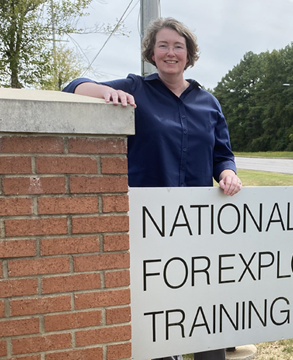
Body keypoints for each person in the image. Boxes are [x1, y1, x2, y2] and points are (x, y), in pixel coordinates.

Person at [63, 17, 239, 360]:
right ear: (152, 53)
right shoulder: (137, 89)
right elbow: (73, 87)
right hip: (149, 223)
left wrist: (229, 173)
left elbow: (222, 154)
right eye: (163, 45)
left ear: (188, 55)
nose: (170, 52)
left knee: (203, 301)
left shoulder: (209, 102)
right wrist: (105, 92)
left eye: (178, 46)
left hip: (198, 222)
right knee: (157, 306)